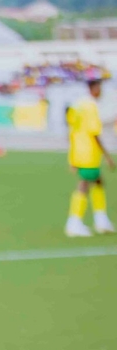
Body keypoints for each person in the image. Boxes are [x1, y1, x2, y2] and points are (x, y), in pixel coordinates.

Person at [64, 79, 114, 236]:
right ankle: (74, 222)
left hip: (79, 151)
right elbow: (94, 132)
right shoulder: (90, 106)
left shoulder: (78, 105)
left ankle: (101, 220)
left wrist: (72, 156)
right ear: (94, 88)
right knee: (84, 184)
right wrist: (107, 156)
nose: (101, 91)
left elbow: (72, 130)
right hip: (89, 152)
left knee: (98, 181)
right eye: (99, 88)